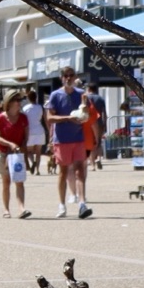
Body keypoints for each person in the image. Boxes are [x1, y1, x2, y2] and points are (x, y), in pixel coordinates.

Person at [47, 65, 94, 219]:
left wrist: (84, 108)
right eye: (65, 75)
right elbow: (50, 118)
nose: (68, 78)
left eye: (71, 75)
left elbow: (86, 115)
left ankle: (82, 203)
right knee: (63, 172)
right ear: (62, 78)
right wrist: (68, 118)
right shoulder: (55, 95)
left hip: (78, 138)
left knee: (80, 170)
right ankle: (62, 205)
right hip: (62, 139)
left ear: (75, 77)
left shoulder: (81, 94)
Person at [0, 92, 31, 217]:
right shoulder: (1, 118)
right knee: (6, 182)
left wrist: (23, 149)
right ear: (9, 102)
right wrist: (9, 144)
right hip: (3, 153)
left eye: (20, 100)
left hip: (17, 154)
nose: (19, 103)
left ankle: (22, 209)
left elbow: (26, 136)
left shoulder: (23, 118)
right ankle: (6, 210)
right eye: (16, 100)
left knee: (19, 181)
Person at [21, 86, 47, 179]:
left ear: (28, 98)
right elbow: (45, 119)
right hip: (39, 130)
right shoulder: (41, 107)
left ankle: (33, 162)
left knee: (29, 151)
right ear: (36, 97)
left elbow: (23, 121)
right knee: (38, 152)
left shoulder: (25, 108)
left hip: (30, 131)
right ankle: (37, 170)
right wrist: (48, 129)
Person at [86, 89, 108, 173]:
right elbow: (104, 113)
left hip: (89, 122)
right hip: (99, 122)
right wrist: (105, 124)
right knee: (98, 141)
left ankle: (93, 165)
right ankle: (99, 158)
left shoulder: (86, 98)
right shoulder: (100, 99)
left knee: (91, 144)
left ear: (88, 89)